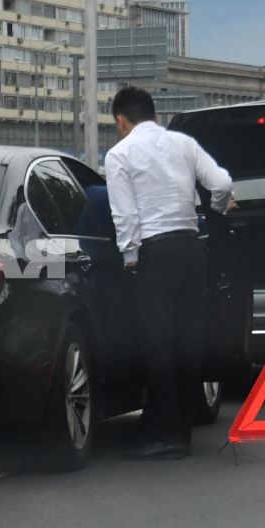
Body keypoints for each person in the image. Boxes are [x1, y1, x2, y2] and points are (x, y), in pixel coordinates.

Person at [104, 85, 233, 461]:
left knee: (158, 344)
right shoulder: (183, 144)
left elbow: (124, 215)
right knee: (188, 340)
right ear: (155, 117)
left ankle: (164, 435)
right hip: (192, 250)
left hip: (155, 253)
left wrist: (130, 258)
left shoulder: (120, 154)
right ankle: (184, 430)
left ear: (121, 121)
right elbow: (222, 184)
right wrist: (219, 211)